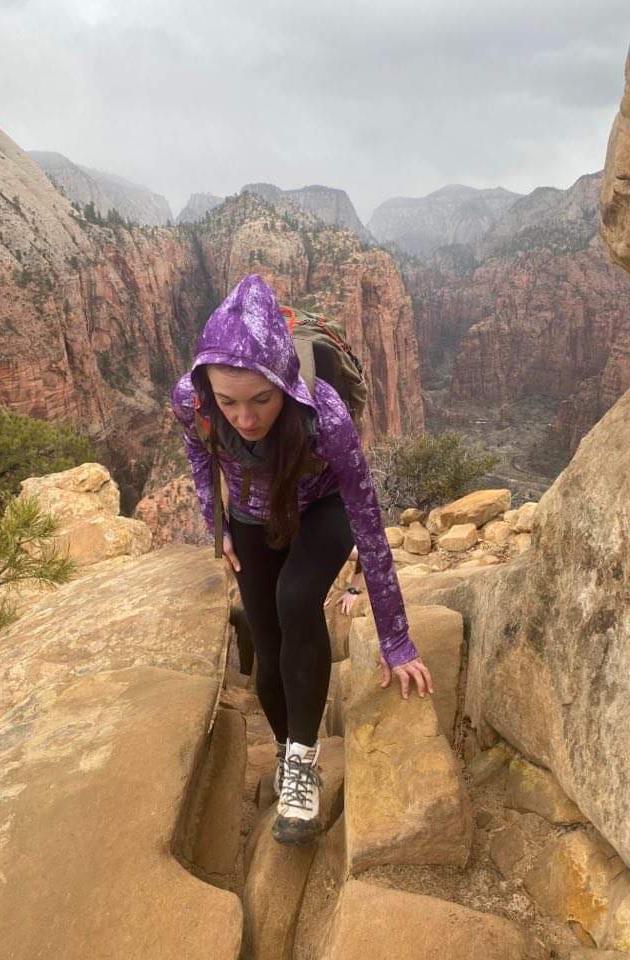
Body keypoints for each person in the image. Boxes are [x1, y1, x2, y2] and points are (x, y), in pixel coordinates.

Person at [171, 274, 433, 846]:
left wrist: (396, 638)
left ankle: (301, 763)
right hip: (250, 514)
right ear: (207, 389)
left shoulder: (326, 416)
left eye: (261, 399)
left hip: (322, 508)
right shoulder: (191, 401)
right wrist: (216, 525)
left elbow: (368, 522)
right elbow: (198, 454)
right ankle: (294, 749)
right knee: (267, 650)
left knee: (296, 600)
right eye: (229, 401)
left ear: (285, 385)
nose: (245, 417)